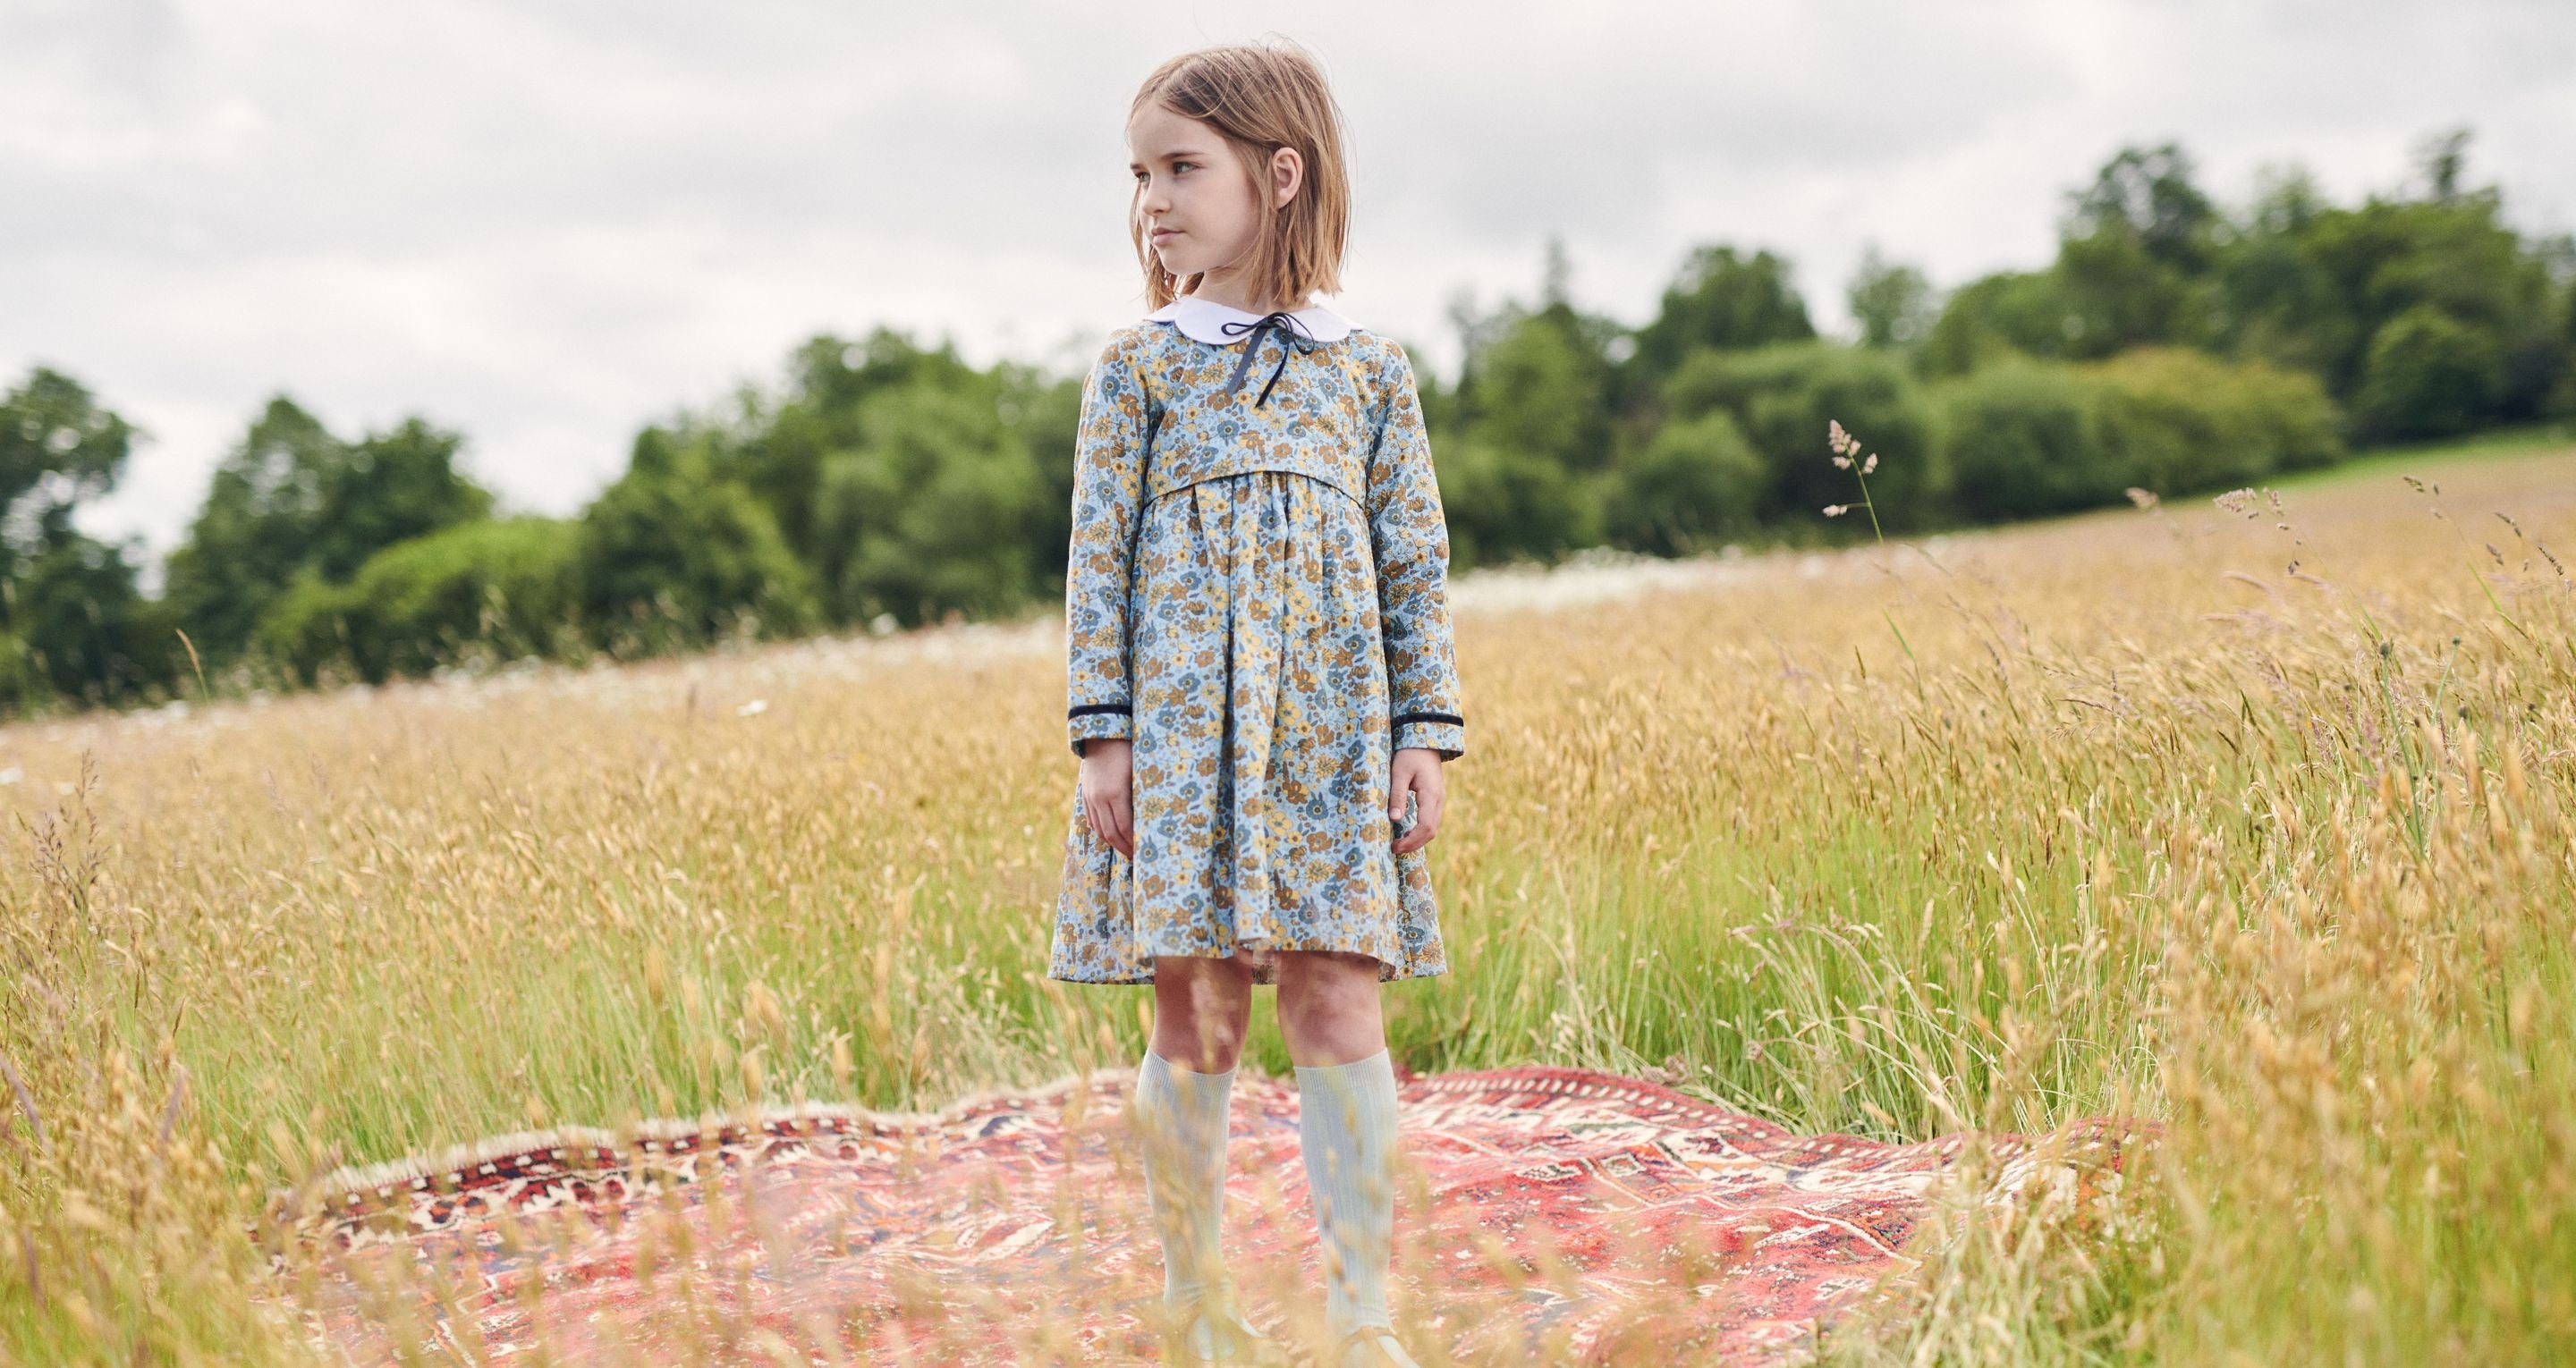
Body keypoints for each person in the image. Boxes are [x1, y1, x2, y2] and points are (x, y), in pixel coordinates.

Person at [1044, 38, 1467, 1368]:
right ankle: (1196, 1303)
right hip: (1181, 742)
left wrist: (1424, 732)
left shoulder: (1370, 372)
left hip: (1332, 737)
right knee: (1200, 1008)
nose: (1152, 201)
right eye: (1139, 175)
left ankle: (1361, 1313)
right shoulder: (1139, 367)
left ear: (1279, 175)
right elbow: (1097, 561)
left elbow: (1414, 564)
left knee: (1338, 999)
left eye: (1181, 168)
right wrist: (1104, 738)